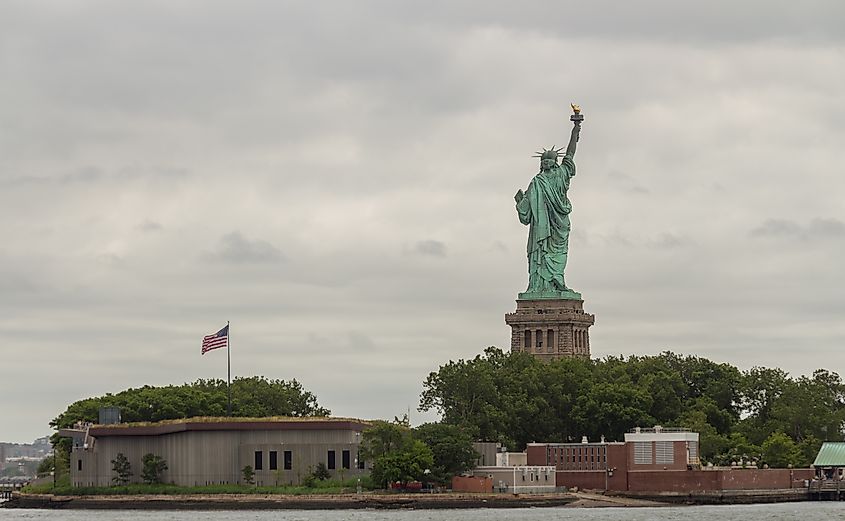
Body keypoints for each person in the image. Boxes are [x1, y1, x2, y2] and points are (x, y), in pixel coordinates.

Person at [514, 112, 582, 297]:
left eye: (549, 159)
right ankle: (538, 286)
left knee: (558, 254)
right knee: (541, 254)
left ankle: (556, 281)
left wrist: (576, 129)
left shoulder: (562, 174)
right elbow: (526, 213)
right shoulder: (536, 182)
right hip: (541, 228)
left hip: (558, 223)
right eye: (543, 160)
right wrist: (520, 202)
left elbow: (571, 152)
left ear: (555, 161)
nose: (546, 162)